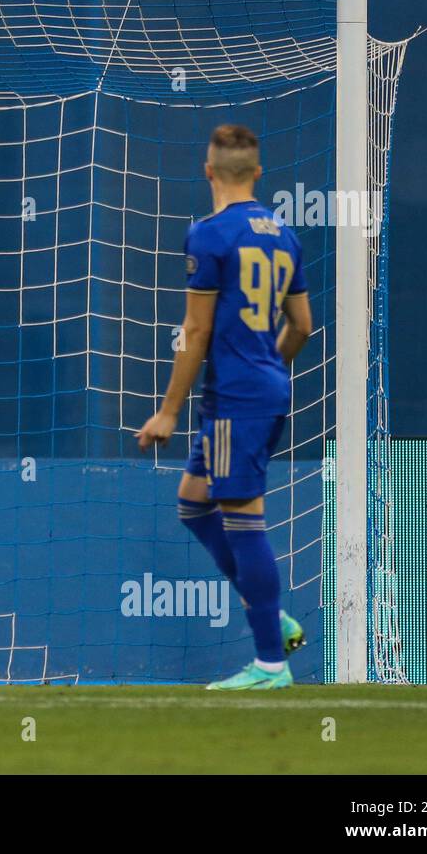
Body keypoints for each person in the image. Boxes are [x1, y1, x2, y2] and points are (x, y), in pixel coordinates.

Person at [136, 124, 314, 690]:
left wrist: (167, 411)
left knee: (241, 514)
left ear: (208, 171)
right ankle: (274, 621)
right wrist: (268, 367)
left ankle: (270, 664)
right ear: (258, 173)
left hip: (238, 397)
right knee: (193, 503)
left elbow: (195, 329)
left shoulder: (210, 235)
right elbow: (303, 326)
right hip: (261, 387)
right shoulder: (285, 235)